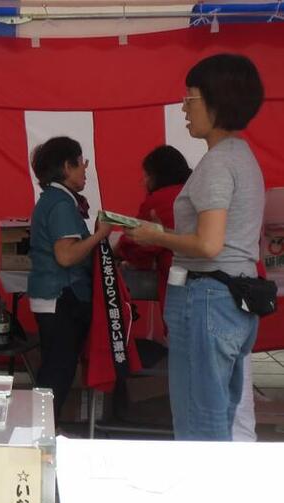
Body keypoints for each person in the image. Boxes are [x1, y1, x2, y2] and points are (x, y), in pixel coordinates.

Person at [125, 53, 265, 441]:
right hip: (235, 298)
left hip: (208, 298)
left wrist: (155, 235)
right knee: (219, 412)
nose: (184, 109)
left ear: (218, 102)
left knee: (199, 420)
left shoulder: (218, 163)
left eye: (191, 100)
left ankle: (203, 499)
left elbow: (208, 243)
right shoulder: (243, 156)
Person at [27, 136, 112, 419]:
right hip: (60, 296)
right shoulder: (62, 203)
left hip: (55, 295)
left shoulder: (54, 199)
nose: (85, 171)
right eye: (81, 164)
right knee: (58, 370)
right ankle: (43, 432)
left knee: (56, 367)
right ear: (67, 166)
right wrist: (100, 235)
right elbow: (65, 255)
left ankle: (43, 430)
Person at [116, 145, 191, 318]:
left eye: (146, 175)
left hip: (179, 282)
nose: (144, 181)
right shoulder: (198, 189)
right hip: (222, 282)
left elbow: (139, 244)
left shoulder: (158, 200)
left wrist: (115, 251)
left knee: (182, 336)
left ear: (158, 175)